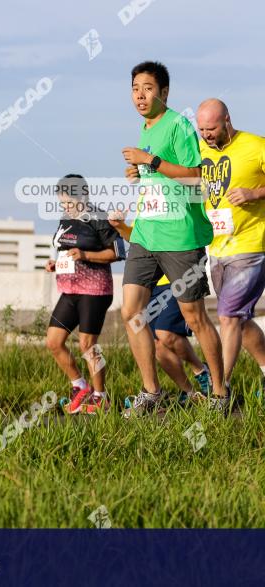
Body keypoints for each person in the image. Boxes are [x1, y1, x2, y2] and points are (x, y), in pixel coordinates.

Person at [118, 60, 229, 416]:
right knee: (131, 312)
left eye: (148, 88)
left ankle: (219, 393)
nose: (140, 95)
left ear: (164, 92)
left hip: (180, 236)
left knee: (194, 318)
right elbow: (159, 173)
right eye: (136, 88)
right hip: (146, 233)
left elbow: (196, 176)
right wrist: (140, 171)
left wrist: (150, 160)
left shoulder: (179, 124)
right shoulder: (145, 128)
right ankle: (152, 393)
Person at [197, 98, 265, 398]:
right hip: (218, 248)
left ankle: (219, 390)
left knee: (227, 316)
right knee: (238, 319)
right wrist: (142, 170)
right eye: (201, 129)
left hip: (250, 245)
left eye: (211, 128)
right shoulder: (200, 151)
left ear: (227, 120)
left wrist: (255, 192)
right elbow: (177, 173)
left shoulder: (255, 145)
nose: (206, 135)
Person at [110, 214, 212, 403]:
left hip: (174, 281)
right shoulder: (147, 208)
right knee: (157, 345)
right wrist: (120, 226)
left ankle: (201, 371)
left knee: (165, 333)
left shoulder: (175, 195)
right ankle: (189, 393)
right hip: (150, 285)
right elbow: (133, 236)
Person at [44, 174, 124, 414]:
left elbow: (117, 253)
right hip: (69, 289)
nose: (66, 207)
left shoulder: (98, 218)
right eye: (63, 203)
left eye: (69, 203)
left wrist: (87, 255)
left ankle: (101, 396)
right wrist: (55, 264)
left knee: (88, 344)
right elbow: (67, 252)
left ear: (83, 197)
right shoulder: (65, 219)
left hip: (95, 290)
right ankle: (80, 386)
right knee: (53, 342)